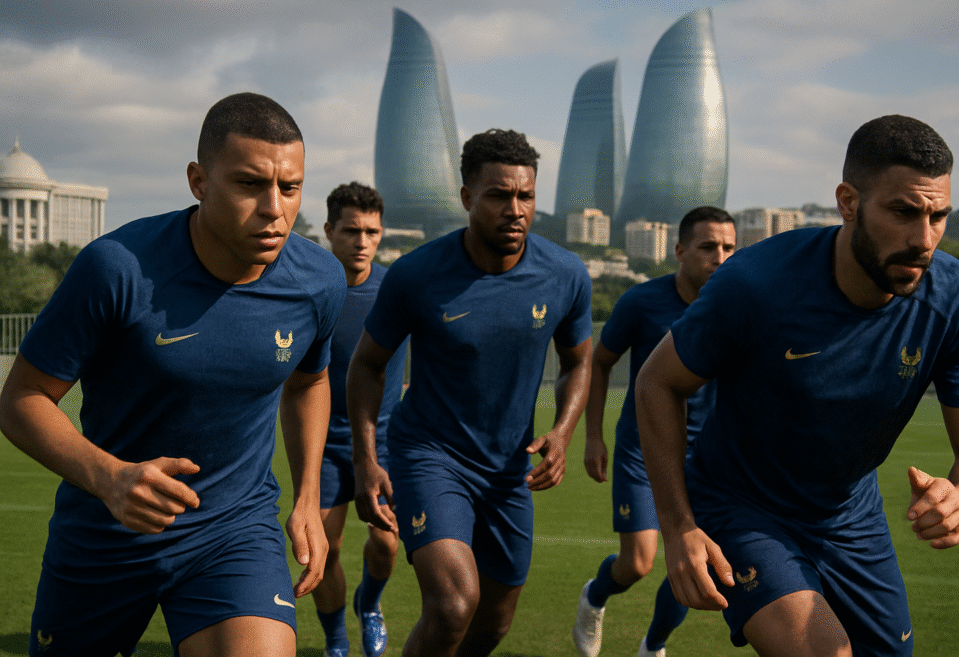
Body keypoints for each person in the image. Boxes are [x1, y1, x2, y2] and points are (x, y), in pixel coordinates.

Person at [636, 114, 959, 657]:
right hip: (741, 505)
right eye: (903, 212)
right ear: (849, 202)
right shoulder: (755, 284)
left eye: (939, 216)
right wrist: (678, 529)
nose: (923, 239)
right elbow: (656, 383)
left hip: (850, 516)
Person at [0, 92, 347, 657]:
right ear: (198, 181)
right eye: (249, 184)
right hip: (108, 532)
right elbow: (21, 399)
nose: (274, 208)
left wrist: (308, 497)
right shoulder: (116, 268)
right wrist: (112, 479)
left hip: (233, 529)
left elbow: (309, 381)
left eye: (289, 187)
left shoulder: (319, 281)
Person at [347, 128, 593, 657]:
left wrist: (563, 432)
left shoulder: (566, 274)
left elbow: (578, 361)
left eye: (525, 196)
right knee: (455, 603)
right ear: (466, 198)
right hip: (429, 455)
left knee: (492, 624)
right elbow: (366, 365)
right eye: (498, 196)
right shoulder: (417, 274)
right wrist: (366, 460)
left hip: (507, 470)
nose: (515, 209)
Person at [573, 207, 736, 657]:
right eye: (707, 247)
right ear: (680, 251)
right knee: (639, 562)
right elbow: (599, 361)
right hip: (641, 452)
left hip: (709, 461)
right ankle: (595, 596)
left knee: (697, 567)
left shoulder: (743, 306)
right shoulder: (642, 302)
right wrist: (593, 437)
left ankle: (653, 646)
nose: (719, 257)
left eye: (728, 247)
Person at [314, 182, 404, 657]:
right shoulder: (311, 289)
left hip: (385, 440)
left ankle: (369, 605)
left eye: (371, 231)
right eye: (351, 231)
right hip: (325, 442)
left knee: (388, 545)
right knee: (320, 549)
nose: (362, 241)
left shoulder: (397, 288)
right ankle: (335, 641)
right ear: (330, 231)